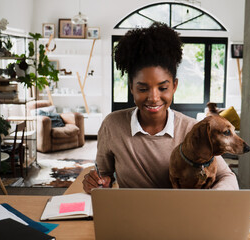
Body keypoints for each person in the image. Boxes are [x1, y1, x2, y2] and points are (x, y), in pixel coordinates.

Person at [82, 22, 238, 193]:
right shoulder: (112, 125)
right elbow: (104, 174)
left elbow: (226, 177)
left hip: (184, 215)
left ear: (174, 86)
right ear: (131, 87)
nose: (154, 98)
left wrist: (212, 198)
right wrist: (98, 182)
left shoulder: (193, 129)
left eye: (163, 88)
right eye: (143, 88)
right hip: (132, 215)